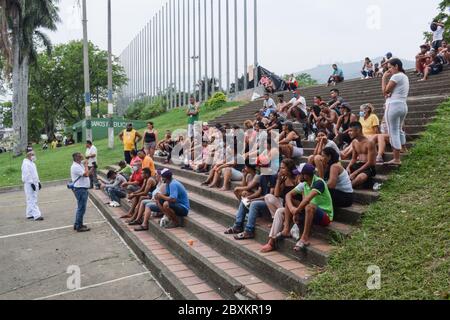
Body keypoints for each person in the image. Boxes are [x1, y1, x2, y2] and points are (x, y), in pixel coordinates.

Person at [292, 164, 334, 251]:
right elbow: (289, 195)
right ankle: (286, 230)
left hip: (324, 216)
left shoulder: (319, 182)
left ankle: (304, 238)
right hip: (312, 215)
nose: (298, 176)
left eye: (300, 174)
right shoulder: (305, 184)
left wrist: (296, 211)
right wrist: (294, 210)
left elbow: (307, 199)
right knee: (287, 206)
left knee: (309, 206)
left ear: (306, 175)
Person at [382, 58, 409, 165]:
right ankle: (403, 148)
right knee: (399, 129)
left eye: (390, 67)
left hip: (393, 106)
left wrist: (384, 78)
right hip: (403, 105)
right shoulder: (404, 76)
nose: (389, 70)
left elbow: (385, 91)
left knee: (392, 132)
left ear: (396, 66)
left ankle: (396, 158)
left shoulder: (396, 76)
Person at [347, 122, 377, 188]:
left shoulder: (369, 142)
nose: (349, 133)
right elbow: (354, 159)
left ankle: (347, 187)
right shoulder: (354, 142)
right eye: (348, 131)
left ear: (358, 130)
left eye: (351, 131)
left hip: (368, 168)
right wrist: (348, 167)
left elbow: (370, 162)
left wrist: (355, 173)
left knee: (360, 178)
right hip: (358, 165)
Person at [70, 153, 92, 232]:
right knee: (81, 208)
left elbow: (87, 173)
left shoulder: (79, 165)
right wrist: (86, 165)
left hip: (82, 188)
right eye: (81, 156)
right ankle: (79, 226)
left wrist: (91, 168)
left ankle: (77, 224)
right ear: (77, 158)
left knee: (81, 207)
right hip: (80, 189)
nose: (82, 157)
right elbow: (86, 174)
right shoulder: (75, 166)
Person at [21, 151, 43, 221]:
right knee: (32, 199)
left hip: (34, 182)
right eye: (33, 155)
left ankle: (29, 214)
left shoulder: (32, 163)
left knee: (31, 198)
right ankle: (37, 215)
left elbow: (35, 174)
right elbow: (26, 174)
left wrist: (38, 182)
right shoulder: (25, 164)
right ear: (29, 155)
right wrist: (31, 183)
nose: (34, 156)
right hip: (29, 183)